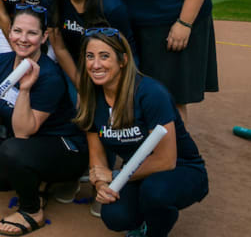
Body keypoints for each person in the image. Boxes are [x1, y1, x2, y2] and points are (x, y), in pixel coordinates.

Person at [76, 29, 208, 237]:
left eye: (104, 56)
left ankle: (156, 229)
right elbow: (97, 156)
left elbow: (166, 161)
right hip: (137, 173)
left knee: (155, 193)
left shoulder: (150, 93)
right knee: (114, 215)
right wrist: (101, 184)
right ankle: (146, 218)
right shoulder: (90, 97)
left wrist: (114, 175)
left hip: (182, 169)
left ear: (123, 60)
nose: (95, 64)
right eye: (90, 56)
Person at [0, 5, 88, 236]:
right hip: (29, 147)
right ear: (9, 32)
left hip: (64, 147)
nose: (23, 39)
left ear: (44, 36)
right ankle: (40, 184)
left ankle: (32, 211)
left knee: (12, 149)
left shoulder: (49, 75)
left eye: (32, 33)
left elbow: (23, 131)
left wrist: (25, 89)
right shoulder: (3, 62)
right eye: (17, 31)